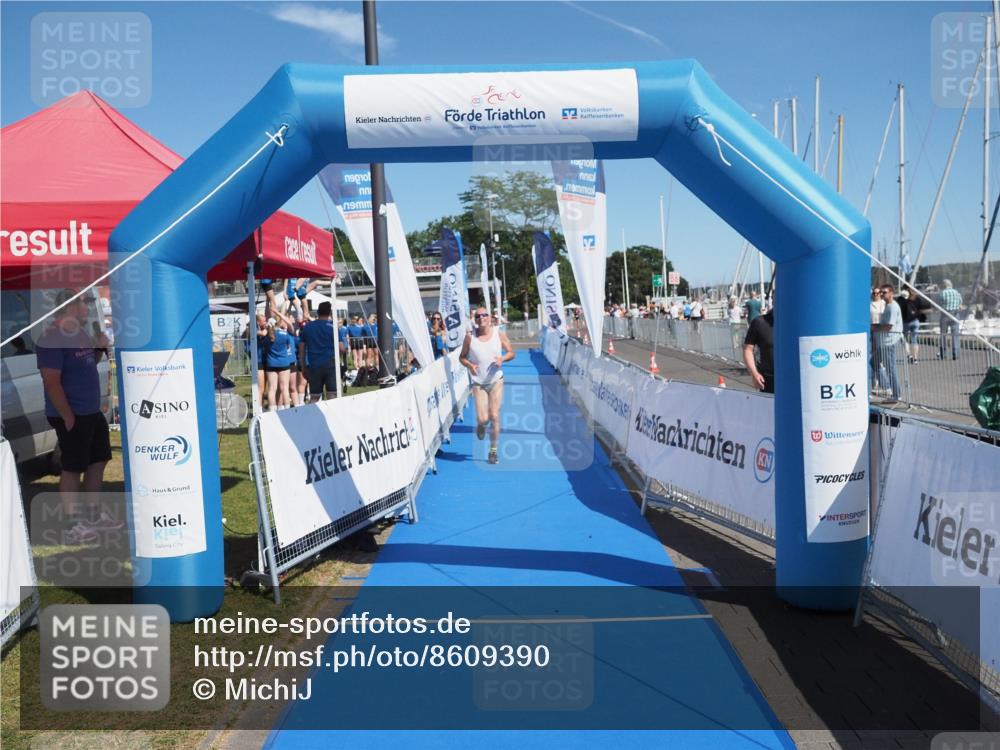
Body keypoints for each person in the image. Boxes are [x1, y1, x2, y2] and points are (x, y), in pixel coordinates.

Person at [36, 289, 114, 541]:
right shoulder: (51, 338)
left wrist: (100, 348)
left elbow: (88, 361)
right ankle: (72, 525)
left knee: (98, 461)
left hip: (90, 411)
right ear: (69, 307)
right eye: (84, 303)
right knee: (72, 467)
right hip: (73, 414)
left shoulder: (79, 333)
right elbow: (51, 382)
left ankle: (92, 515)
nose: (88, 308)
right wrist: (68, 416)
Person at [460, 306, 515, 465]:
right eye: (478, 316)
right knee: (483, 418)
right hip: (478, 383)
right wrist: (469, 365)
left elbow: (512, 352)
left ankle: (493, 451)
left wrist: (502, 359)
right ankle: (481, 425)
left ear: (490, 317)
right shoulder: (470, 337)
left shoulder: (498, 334)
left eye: (484, 315)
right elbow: (462, 357)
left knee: (494, 416)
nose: (481, 318)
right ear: (475, 320)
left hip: (496, 380)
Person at [299, 301, 339, 401]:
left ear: (318, 312)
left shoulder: (308, 327)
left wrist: (303, 367)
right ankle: (331, 416)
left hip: (314, 365)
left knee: (314, 397)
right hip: (330, 364)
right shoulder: (333, 327)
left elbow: (302, 349)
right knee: (332, 396)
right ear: (329, 312)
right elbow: (342, 347)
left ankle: (312, 417)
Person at [872, 284, 903, 401]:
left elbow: (888, 326)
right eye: (880, 292)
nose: (881, 294)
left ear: (891, 293)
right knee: (873, 362)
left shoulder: (892, 307)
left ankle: (896, 395)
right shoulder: (887, 306)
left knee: (891, 369)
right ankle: (887, 387)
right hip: (883, 343)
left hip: (889, 342)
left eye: (884, 292)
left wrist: (874, 328)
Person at [265, 308, 297, 410]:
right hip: (284, 363)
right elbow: (288, 345)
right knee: (284, 389)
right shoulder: (284, 334)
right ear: (279, 322)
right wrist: (279, 313)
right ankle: (287, 410)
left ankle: (271, 412)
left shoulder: (268, 335)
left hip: (271, 364)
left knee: (272, 389)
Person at [742, 303, 774, 394]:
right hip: (768, 380)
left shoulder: (797, 321)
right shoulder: (759, 322)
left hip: (794, 379)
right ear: (774, 301)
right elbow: (747, 349)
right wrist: (754, 374)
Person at [938, 279, 963, 361]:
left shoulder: (942, 293)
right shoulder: (957, 293)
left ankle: (943, 354)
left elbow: (939, 304)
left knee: (943, 335)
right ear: (950, 284)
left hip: (945, 315)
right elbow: (960, 303)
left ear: (943, 285)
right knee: (955, 335)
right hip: (955, 314)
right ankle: (955, 354)